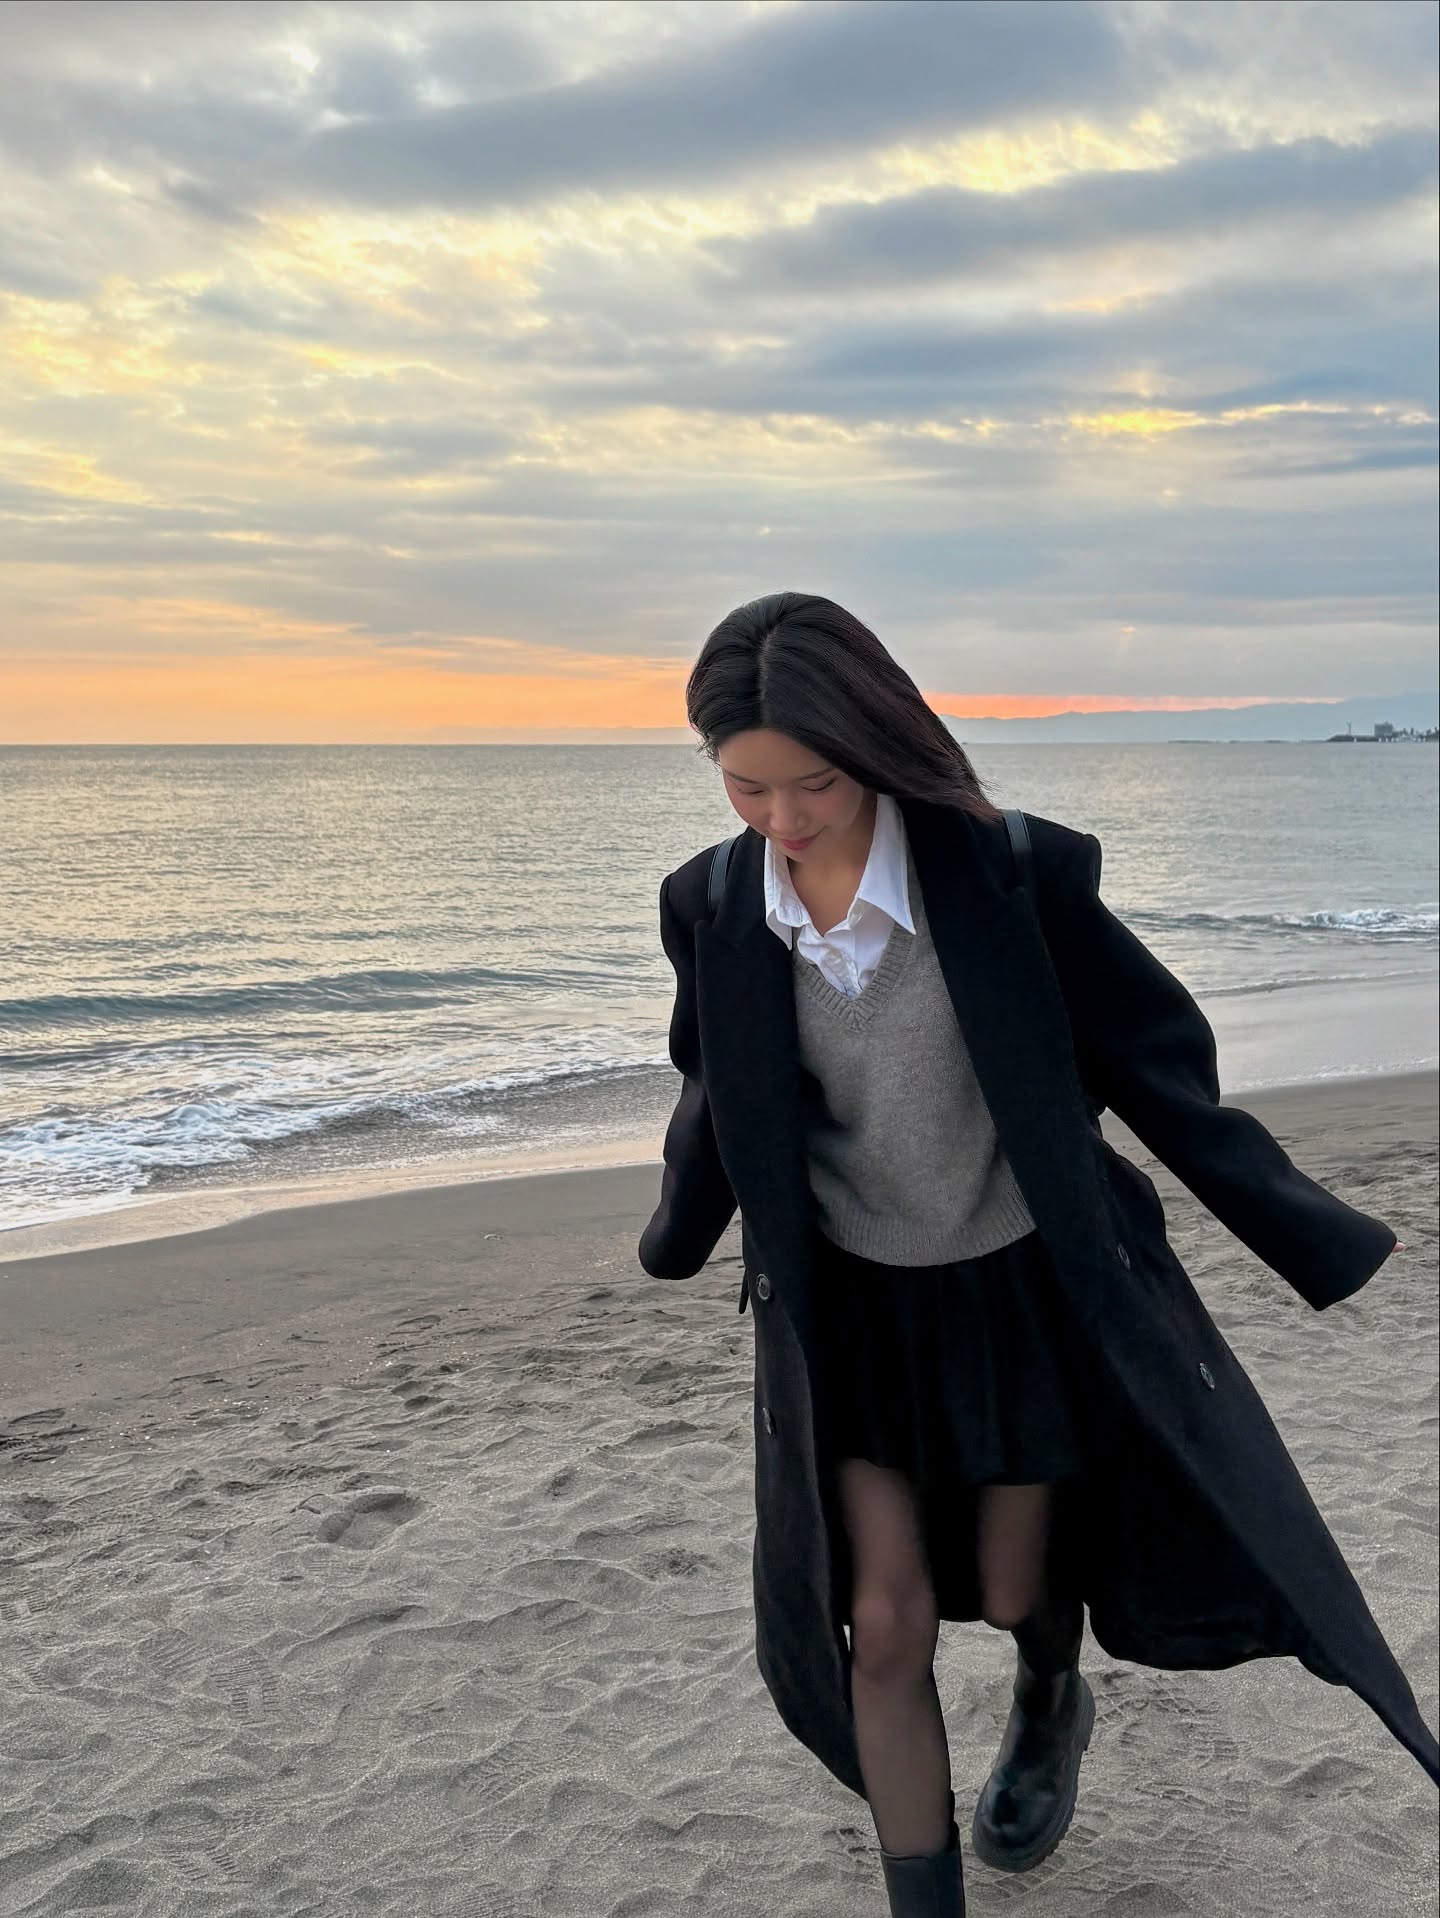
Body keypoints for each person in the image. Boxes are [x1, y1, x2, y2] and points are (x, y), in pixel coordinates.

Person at [637, 592, 1433, 1918]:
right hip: (850, 1313)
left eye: (813, 783)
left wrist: (1302, 1223)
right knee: (883, 1621)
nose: (782, 817)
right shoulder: (711, 903)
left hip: (1019, 1288)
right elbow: (715, 1083)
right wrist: (679, 1230)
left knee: (1015, 1585)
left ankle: (1052, 1692)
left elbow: (1153, 1054)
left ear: (875, 744)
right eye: (746, 786)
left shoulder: (1016, 873)